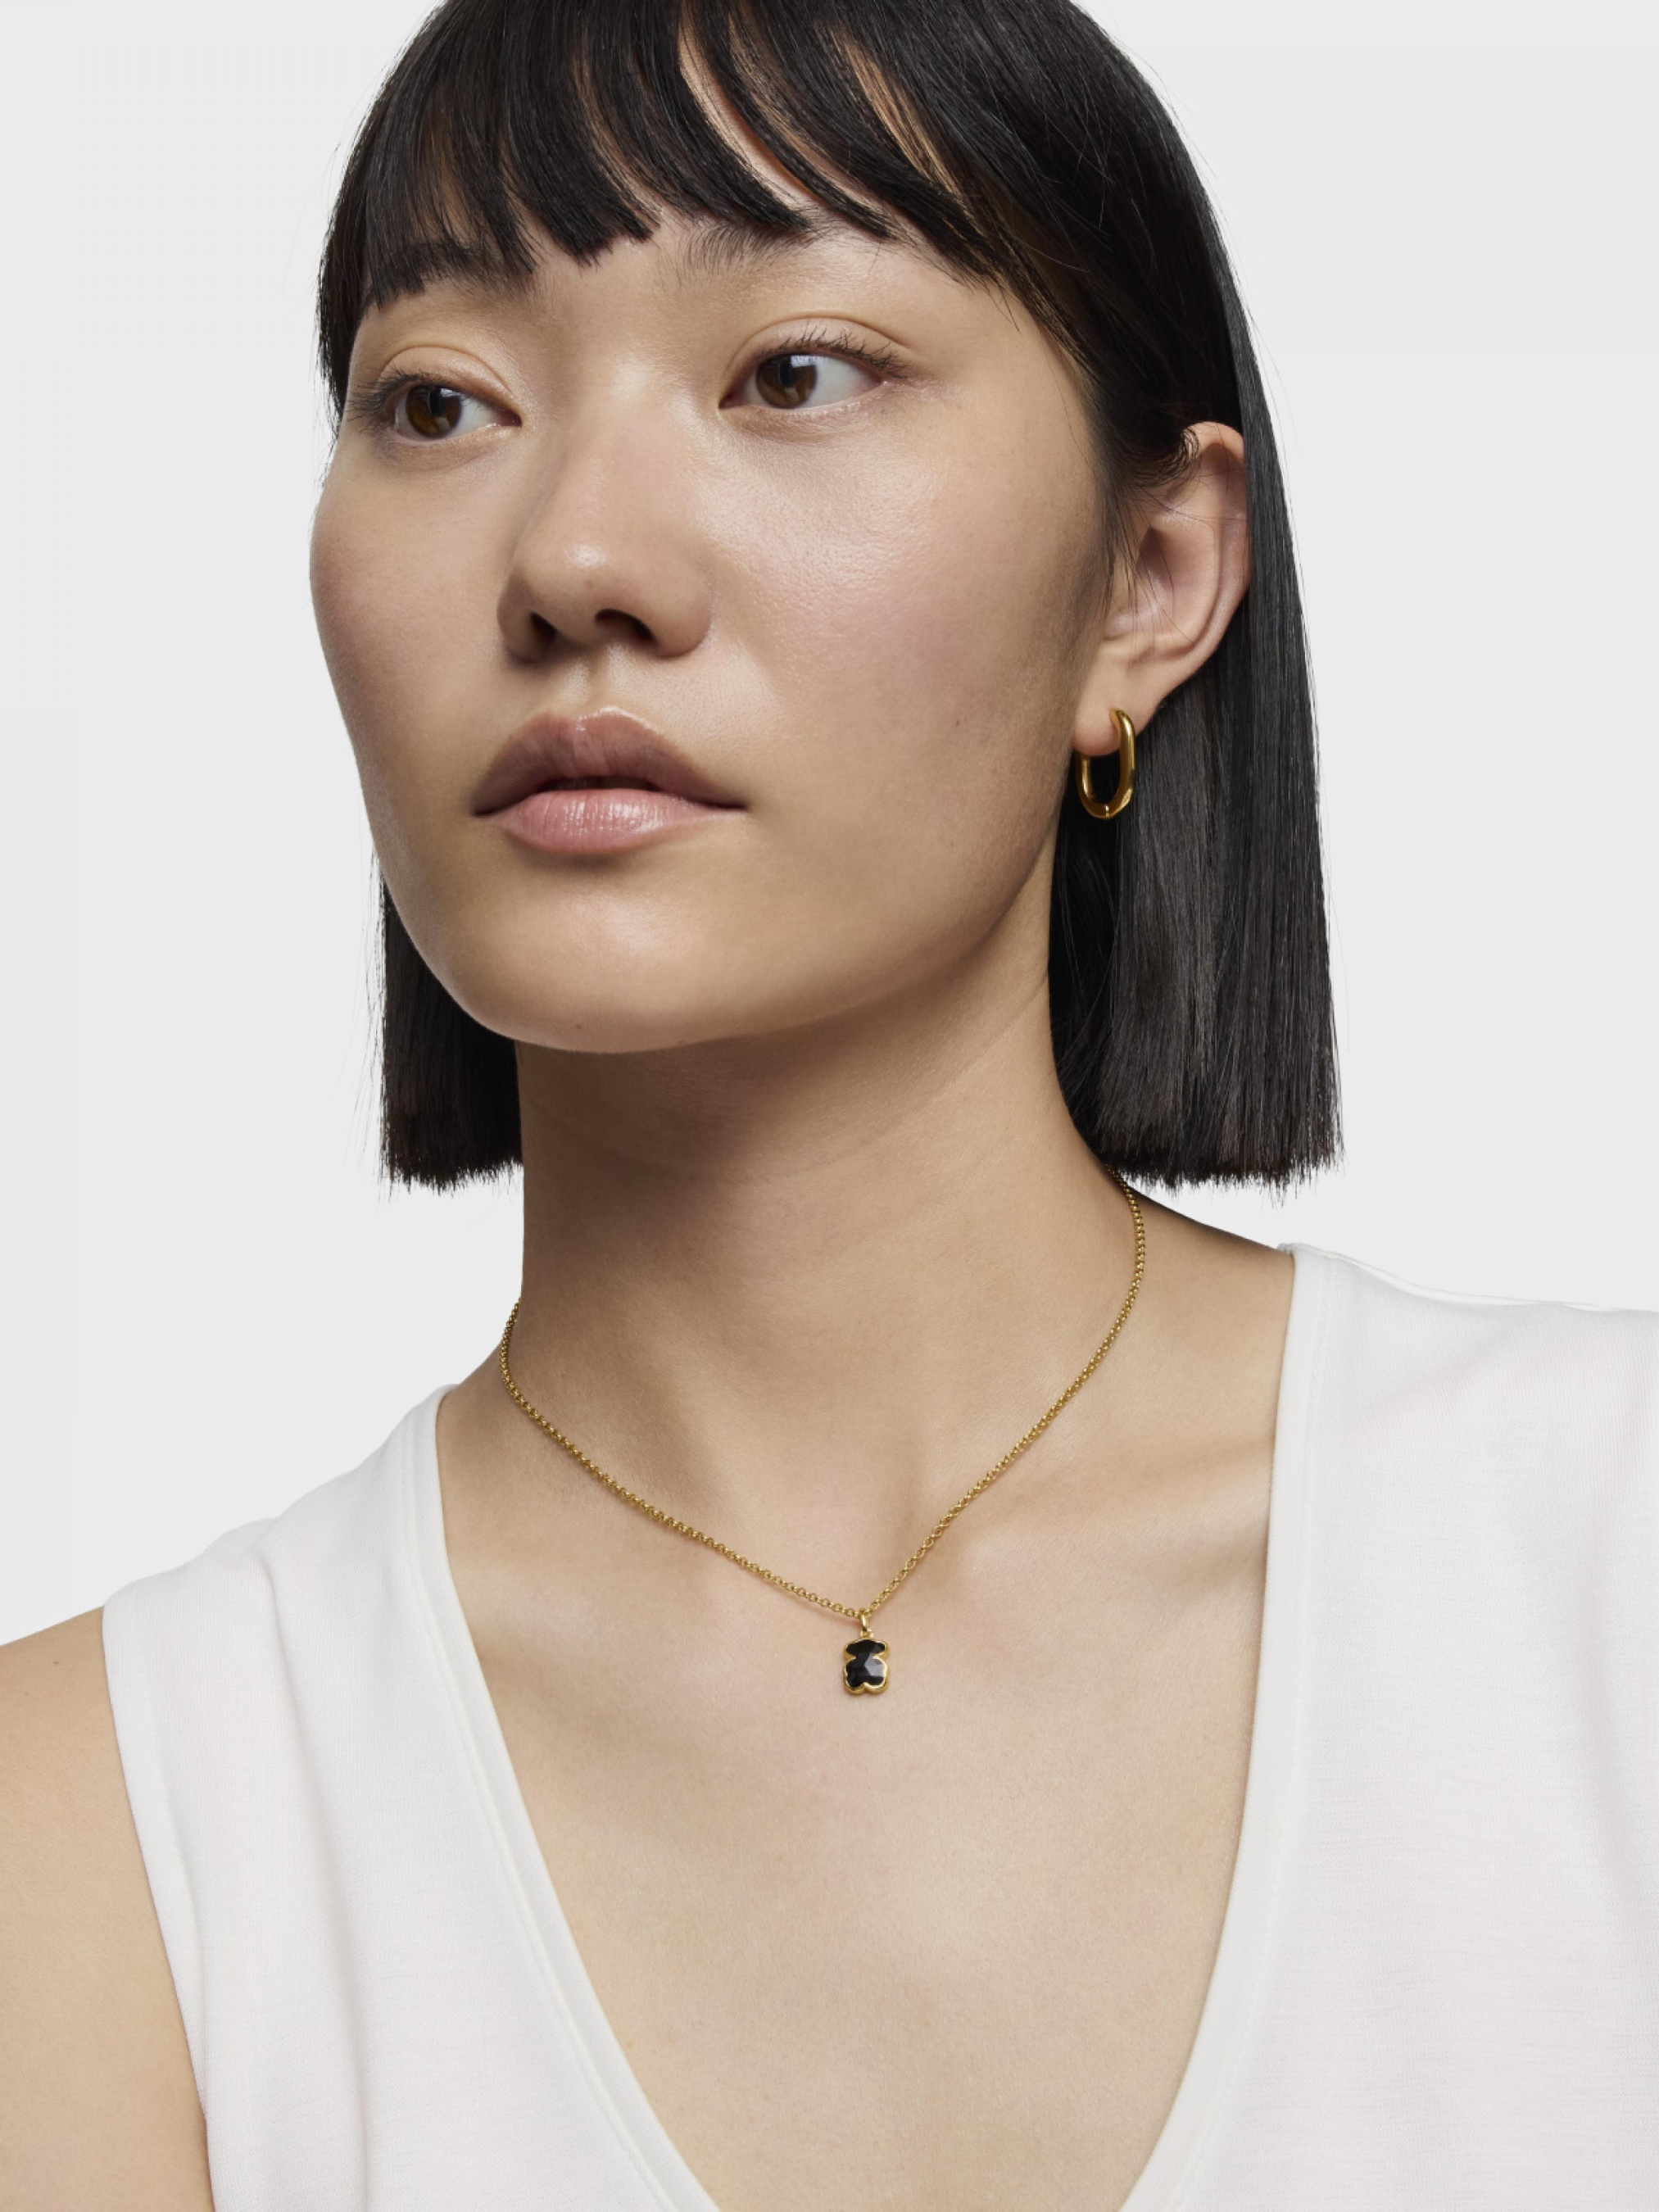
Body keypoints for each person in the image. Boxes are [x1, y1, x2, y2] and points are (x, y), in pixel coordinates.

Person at [2, 1, 1654, 2205]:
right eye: (440, 402)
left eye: (792, 373)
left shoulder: (1602, 1564)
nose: (574, 562)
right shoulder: (99, 1829)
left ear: (1151, 576)